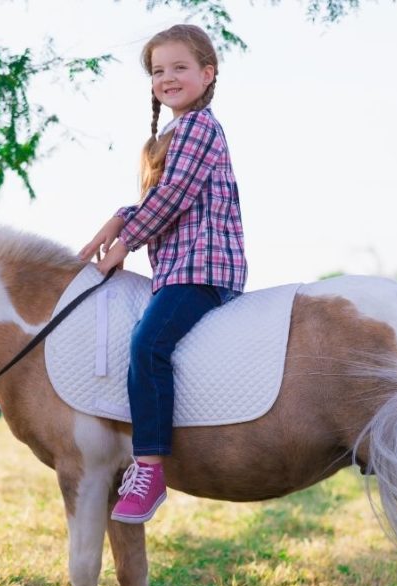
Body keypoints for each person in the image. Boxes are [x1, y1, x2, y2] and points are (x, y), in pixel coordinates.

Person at [77, 24, 247, 524]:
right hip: (177, 267)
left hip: (201, 267)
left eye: (179, 68)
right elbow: (159, 197)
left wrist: (126, 241)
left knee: (148, 345)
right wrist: (118, 218)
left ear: (207, 73)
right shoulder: (174, 132)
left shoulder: (199, 127)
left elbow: (171, 199)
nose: (167, 78)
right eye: (158, 71)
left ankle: (149, 469)